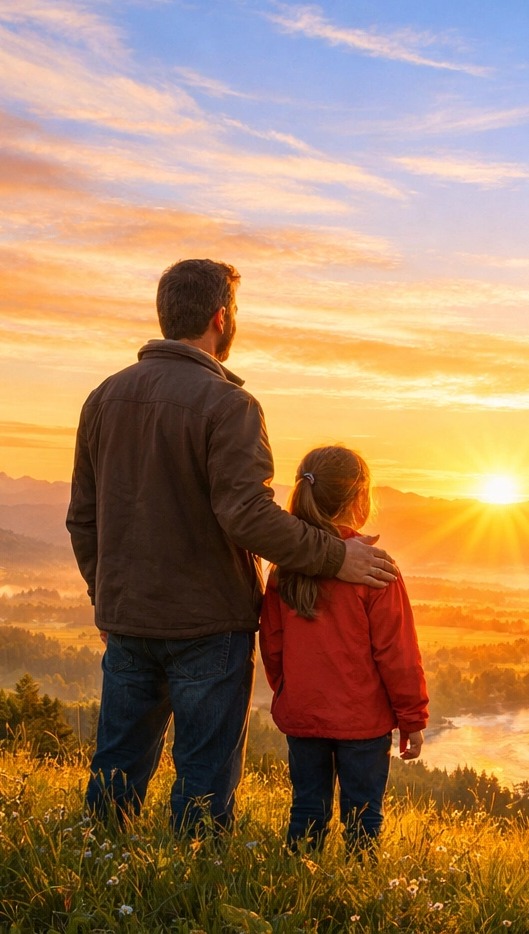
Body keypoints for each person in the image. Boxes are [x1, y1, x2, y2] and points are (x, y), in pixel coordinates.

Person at [67, 258, 399, 832]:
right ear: (222, 318)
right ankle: (195, 890)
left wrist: (105, 595)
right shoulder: (228, 405)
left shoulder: (104, 398)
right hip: (207, 627)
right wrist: (336, 556)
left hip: (127, 621)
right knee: (204, 778)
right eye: (237, 311)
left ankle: (96, 866)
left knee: (117, 768)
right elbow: (246, 515)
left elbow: (83, 520)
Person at [259, 445, 428, 853]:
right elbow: (398, 654)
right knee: (363, 820)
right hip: (363, 723)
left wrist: (291, 691)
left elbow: (273, 647)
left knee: (306, 813)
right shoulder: (375, 568)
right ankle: (356, 898)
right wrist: (412, 717)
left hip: (304, 716)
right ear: (360, 499)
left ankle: (299, 889)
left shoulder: (286, 569)